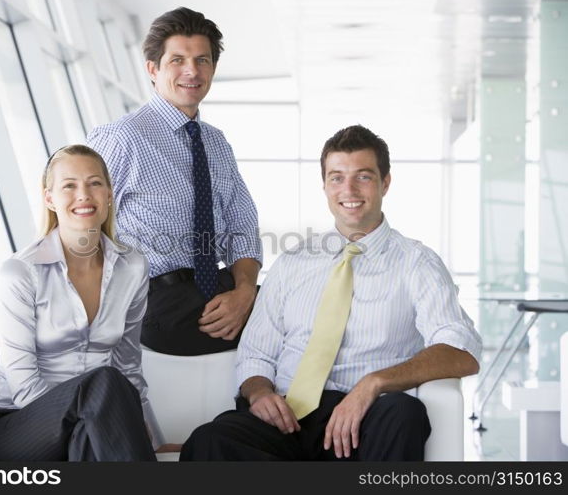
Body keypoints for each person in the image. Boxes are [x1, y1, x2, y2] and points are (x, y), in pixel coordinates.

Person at [180, 125, 482, 461]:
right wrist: (260, 392)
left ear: (385, 183)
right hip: (288, 417)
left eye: (363, 176)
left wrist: (374, 383)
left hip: (367, 419)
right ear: (324, 185)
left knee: (403, 414)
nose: (348, 189)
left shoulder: (417, 263)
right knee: (210, 440)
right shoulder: (293, 262)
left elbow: (461, 350)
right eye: (336, 177)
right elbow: (256, 356)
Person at [0, 145, 174, 461]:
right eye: (69, 185)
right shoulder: (21, 272)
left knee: (93, 428)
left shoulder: (133, 267)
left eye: (95, 183)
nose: (84, 194)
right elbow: (22, 384)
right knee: (104, 385)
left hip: (92, 421)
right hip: (18, 426)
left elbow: (128, 364)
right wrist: (106, 423)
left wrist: (146, 433)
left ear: (109, 194)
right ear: (50, 198)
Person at [87, 7, 262, 356]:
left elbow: (243, 228)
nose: (192, 71)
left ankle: (256, 405)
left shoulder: (216, 143)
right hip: (154, 301)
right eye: (177, 60)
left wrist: (244, 293)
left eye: (202, 60)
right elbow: (78, 227)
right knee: (296, 326)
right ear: (153, 69)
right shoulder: (122, 138)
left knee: (305, 304)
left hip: (213, 288)